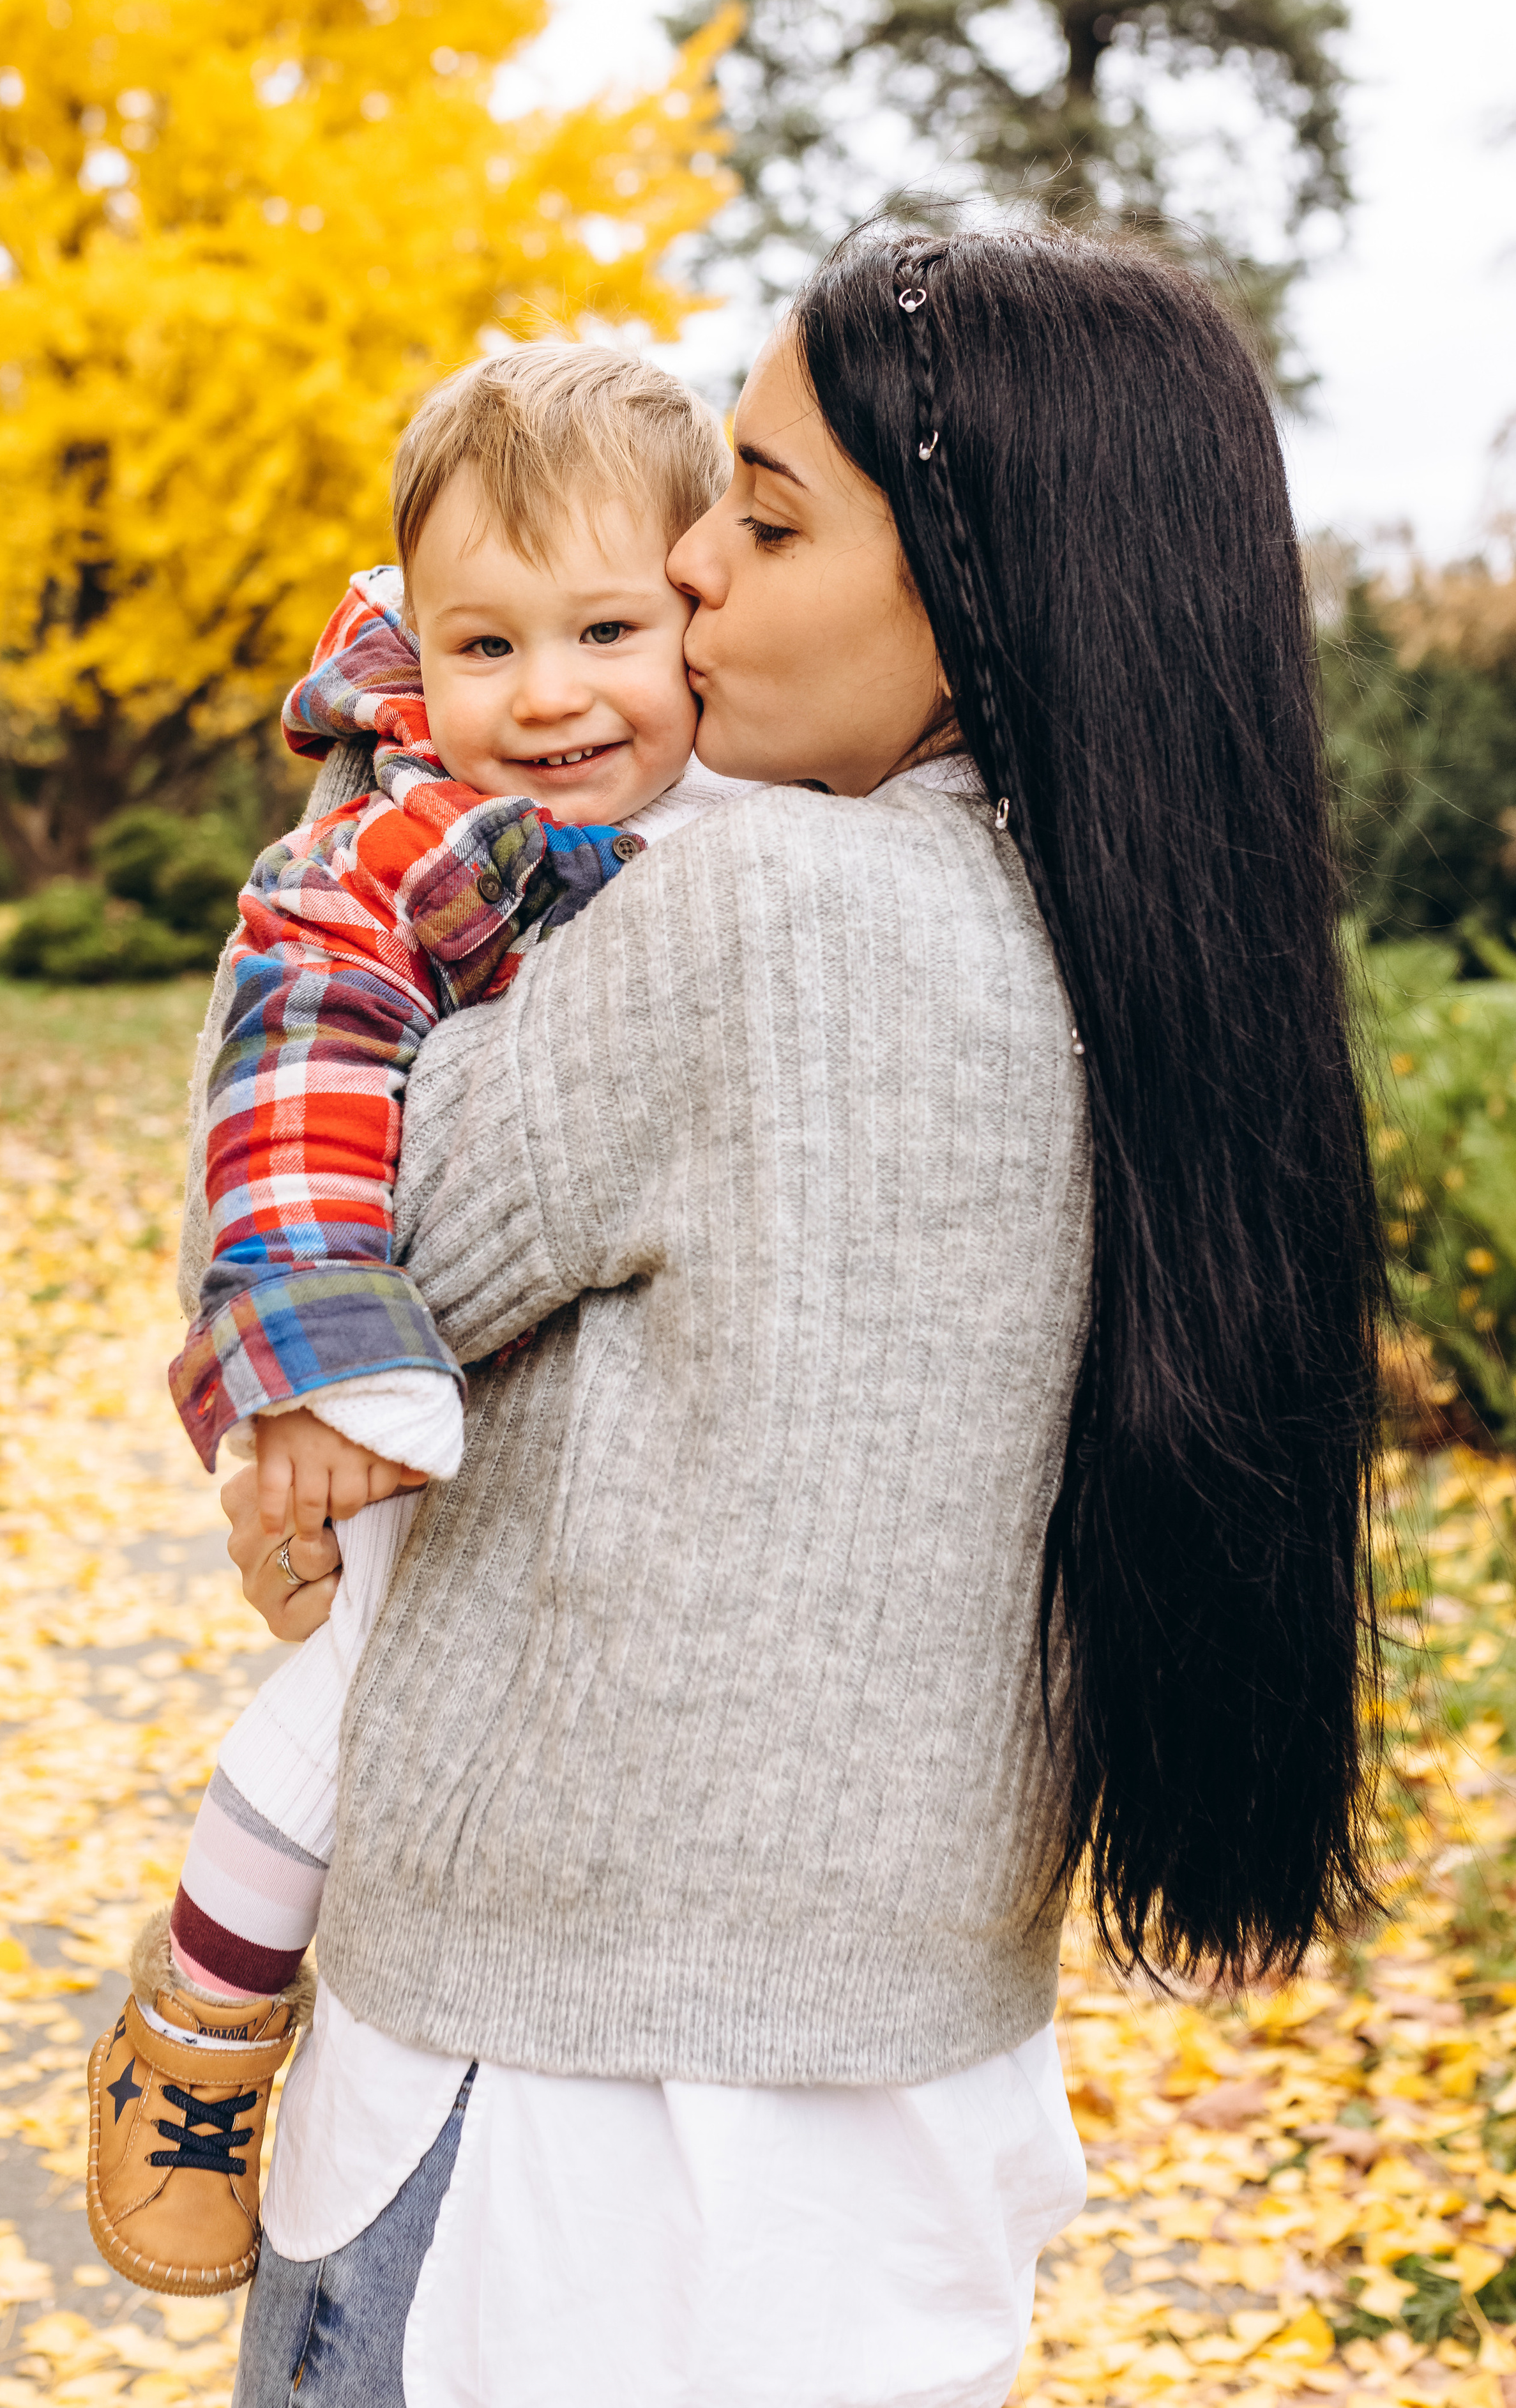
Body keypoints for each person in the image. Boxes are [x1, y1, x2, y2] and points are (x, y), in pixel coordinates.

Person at [227, 220, 1381, 2406]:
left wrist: (372, 792)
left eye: (753, 519)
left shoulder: (757, 913)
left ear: (969, 587)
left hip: (553, 2137)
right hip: (897, 2134)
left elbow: (340, 1232)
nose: (688, 589)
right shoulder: (1144, 954)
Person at [84, 345, 736, 2294]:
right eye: (482, 645)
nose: (545, 697)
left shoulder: (779, 805)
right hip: (394, 1384)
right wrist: (310, 1340)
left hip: (615, 1426)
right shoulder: (412, 843)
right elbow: (294, 1067)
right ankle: (199, 2029)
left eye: (604, 629)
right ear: (414, 656)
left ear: (700, 608)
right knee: (356, 1693)